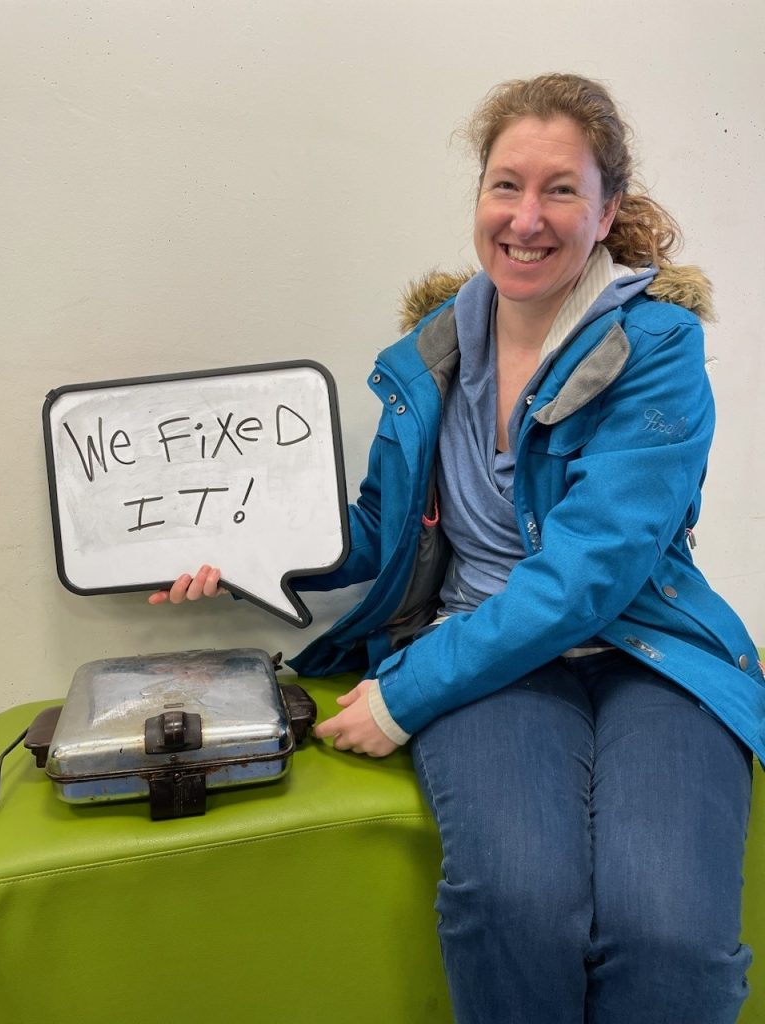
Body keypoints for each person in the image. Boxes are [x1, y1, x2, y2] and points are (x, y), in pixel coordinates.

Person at [150, 73, 764, 1024]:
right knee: (515, 905)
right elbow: (377, 529)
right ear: (478, 200)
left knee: (669, 935)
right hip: (487, 655)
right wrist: (239, 550)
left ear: (607, 214)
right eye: (505, 185)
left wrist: (406, 693)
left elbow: (590, 574)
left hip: (648, 653)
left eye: (562, 189)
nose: (528, 217)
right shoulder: (429, 354)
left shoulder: (658, 347)